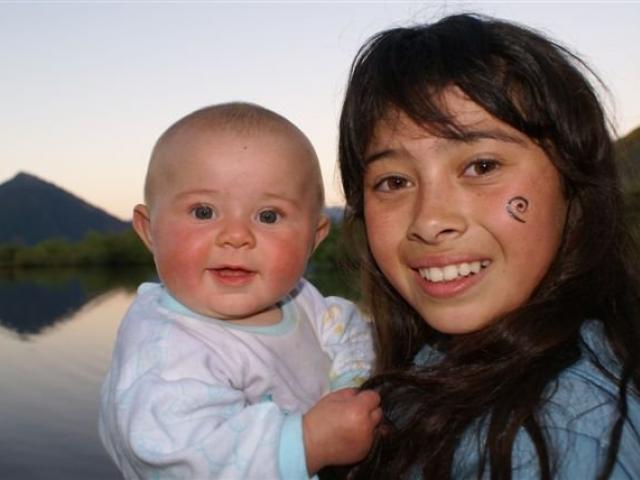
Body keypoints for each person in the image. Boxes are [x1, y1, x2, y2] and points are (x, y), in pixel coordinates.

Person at [338, 13, 640, 479]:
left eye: (481, 166)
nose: (430, 220)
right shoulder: (440, 367)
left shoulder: (551, 439)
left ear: (572, 185)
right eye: (393, 181)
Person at [99, 102, 380, 479]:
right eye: (203, 212)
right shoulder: (165, 351)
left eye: (268, 216)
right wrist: (309, 442)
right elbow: (179, 456)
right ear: (150, 231)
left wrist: (348, 387)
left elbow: (346, 331)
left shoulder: (301, 300)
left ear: (312, 240)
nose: (235, 236)